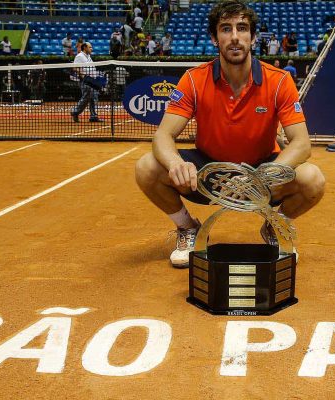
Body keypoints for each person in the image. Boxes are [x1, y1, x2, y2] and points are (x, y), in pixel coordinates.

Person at [135, 0, 325, 268]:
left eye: (242, 28)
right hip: (209, 172)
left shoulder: (280, 80)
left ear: (253, 37)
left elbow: (302, 144)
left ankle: (274, 228)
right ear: (215, 38)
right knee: (147, 167)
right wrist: (176, 163)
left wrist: (259, 178)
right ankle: (189, 228)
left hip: (262, 174)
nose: (234, 37)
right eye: (226, 29)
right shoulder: (193, 79)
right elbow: (163, 136)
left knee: (312, 179)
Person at [70, 42, 103, 123]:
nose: (92, 49)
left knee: (94, 98)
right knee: (86, 97)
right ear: (85, 47)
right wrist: (84, 77)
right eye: (90, 47)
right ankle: (75, 112)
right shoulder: (79, 56)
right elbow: (75, 68)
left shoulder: (88, 56)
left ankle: (93, 116)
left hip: (93, 81)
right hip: (86, 81)